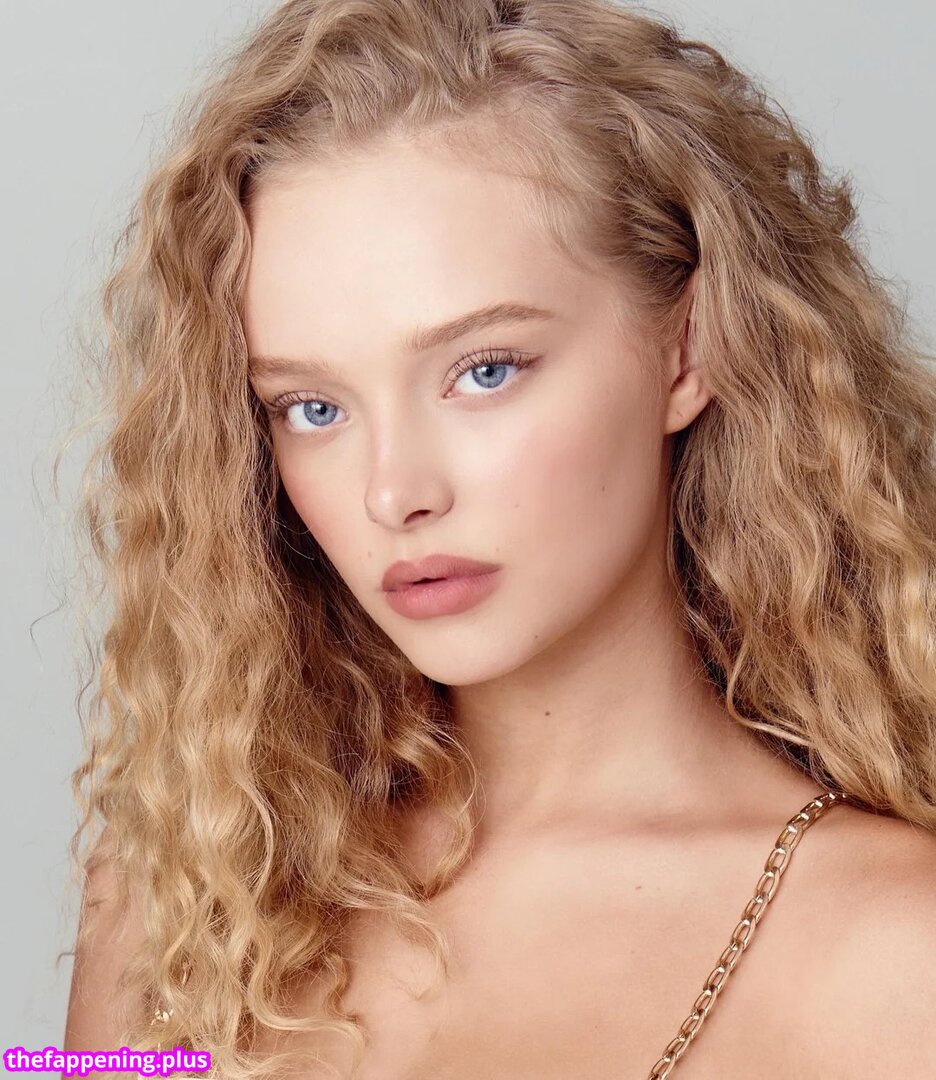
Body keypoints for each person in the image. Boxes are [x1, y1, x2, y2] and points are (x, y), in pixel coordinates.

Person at [61, 1, 936, 1078]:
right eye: (312, 408)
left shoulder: (896, 955)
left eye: (484, 371)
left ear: (689, 347)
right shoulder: (177, 898)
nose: (395, 492)